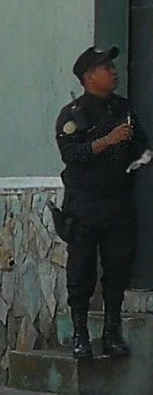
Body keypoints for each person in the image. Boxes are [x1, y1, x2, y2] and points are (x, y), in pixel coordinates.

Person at [56, 45, 148, 359]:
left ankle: (112, 332)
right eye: (105, 67)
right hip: (84, 205)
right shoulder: (73, 115)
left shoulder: (122, 109)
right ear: (88, 77)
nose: (113, 71)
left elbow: (140, 146)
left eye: (112, 66)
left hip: (117, 204)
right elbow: (71, 156)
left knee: (117, 270)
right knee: (80, 272)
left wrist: (138, 161)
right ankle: (80, 335)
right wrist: (106, 141)